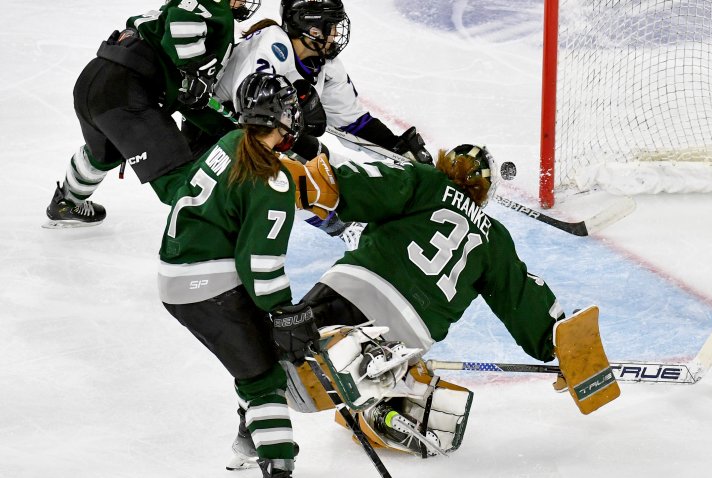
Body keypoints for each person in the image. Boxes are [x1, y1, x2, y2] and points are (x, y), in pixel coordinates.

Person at [262, 146, 621, 459]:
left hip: (354, 290)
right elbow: (520, 297)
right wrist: (554, 343)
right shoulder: (493, 239)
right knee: (420, 401)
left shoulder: (425, 181)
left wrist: (313, 182)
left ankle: (261, 424)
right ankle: (376, 404)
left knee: (276, 355)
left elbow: (363, 186)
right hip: (407, 336)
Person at [158, 72, 340, 478]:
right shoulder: (271, 180)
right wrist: (284, 313)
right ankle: (277, 463)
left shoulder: (229, 143)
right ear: (279, 118)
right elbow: (259, 265)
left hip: (179, 276)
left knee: (255, 358)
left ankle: (248, 440)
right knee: (264, 380)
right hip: (209, 286)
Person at [189, 0, 433, 244]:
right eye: (331, 26)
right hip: (219, 136)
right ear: (310, 27)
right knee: (292, 178)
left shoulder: (324, 63)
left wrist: (395, 147)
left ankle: (344, 216)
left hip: (272, 131)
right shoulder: (273, 44)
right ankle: (340, 228)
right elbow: (252, 112)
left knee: (326, 163)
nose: (336, 33)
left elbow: (353, 123)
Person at [44, 0, 262, 228]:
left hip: (95, 80)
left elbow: (192, 100)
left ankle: (66, 202)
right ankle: (229, 231)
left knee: (104, 154)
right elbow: (181, 20)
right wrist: (194, 69)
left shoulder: (194, 13)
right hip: (126, 90)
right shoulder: (213, 6)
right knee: (177, 175)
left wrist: (227, 128)